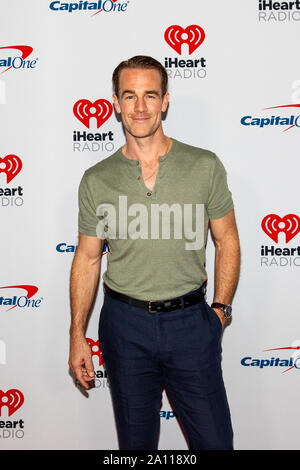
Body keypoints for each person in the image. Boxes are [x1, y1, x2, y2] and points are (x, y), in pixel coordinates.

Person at [68, 55, 240, 450]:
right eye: (130, 96)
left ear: (165, 101)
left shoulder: (204, 166)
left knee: (215, 442)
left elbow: (227, 239)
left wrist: (220, 312)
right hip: (124, 328)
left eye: (150, 96)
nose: (140, 107)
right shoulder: (96, 179)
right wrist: (77, 334)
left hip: (191, 325)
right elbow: (88, 258)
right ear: (115, 102)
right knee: (136, 446)